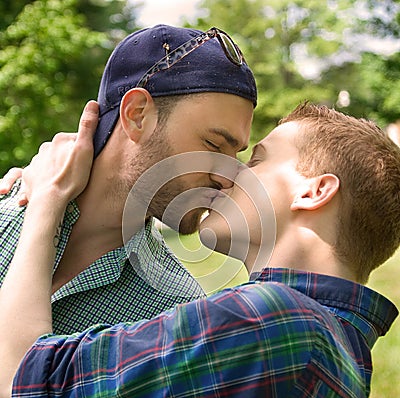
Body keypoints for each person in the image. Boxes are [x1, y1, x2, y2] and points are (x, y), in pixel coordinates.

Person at [0, 102, 399, 398]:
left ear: (313, 192)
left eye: (256, 160)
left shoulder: (269, 319)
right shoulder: (347, 358)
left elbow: (20, 386)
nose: (227, 176)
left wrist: (47, 201)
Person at [0, 24, 257, 335]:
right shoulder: (6, 211)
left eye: (236, 153)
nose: (228, 179)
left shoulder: (176, 316)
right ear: (137, 115)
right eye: (214, 145)